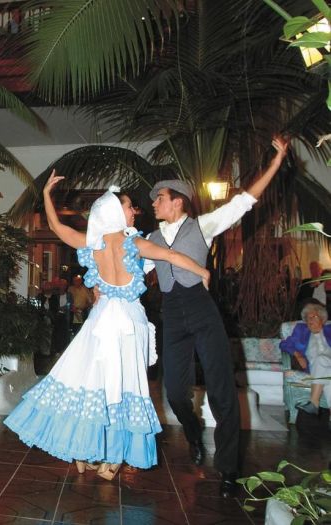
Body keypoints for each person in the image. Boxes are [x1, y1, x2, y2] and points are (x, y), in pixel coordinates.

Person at [5, 171, 210, 480]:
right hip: (128, 320)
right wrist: (202, 272)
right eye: (128, 207)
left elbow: (57, 227)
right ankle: (112, 458)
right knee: (125, 385)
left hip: (101, 320)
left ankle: (86, 450)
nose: (134, 211)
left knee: (94, 381)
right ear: (115, 211)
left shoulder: (93, 244)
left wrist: (46, 195)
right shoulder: (134, 243)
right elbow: (171, 255)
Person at [145, 134, 290, 497]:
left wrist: (275, 162)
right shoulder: (150, 239)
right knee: (175, 393)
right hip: (172, 313)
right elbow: (130, 272)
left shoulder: (203, 225)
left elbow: (244, 201)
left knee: (222, 393)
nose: (154, 203)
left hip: (202, 309)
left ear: (177, 201)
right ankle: (194, 435)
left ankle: (228, 470)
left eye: (159, 198)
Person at [280, 302, 331, 416]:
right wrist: (298, 355)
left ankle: (313, 403)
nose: (310, 320)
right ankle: (315, 404)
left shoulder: (330, 330)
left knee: (322, 360)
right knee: (326, 370)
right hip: (316, 367)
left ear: (322, 319)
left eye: (314, 316)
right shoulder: (301, 330)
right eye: (308, 318)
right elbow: (284, 344)